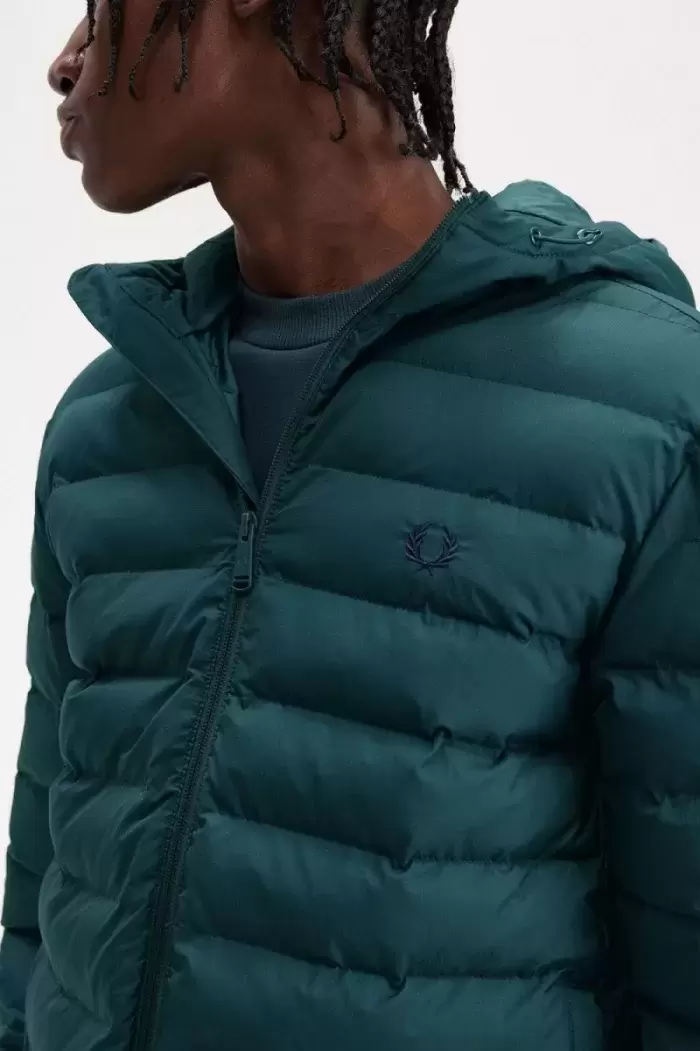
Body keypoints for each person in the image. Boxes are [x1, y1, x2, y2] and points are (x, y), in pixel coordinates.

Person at [2, 1, 700, 1049]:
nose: (66, 62)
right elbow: (40, 909)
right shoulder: (111, 421)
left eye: (102, 6)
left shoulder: (638, 410)